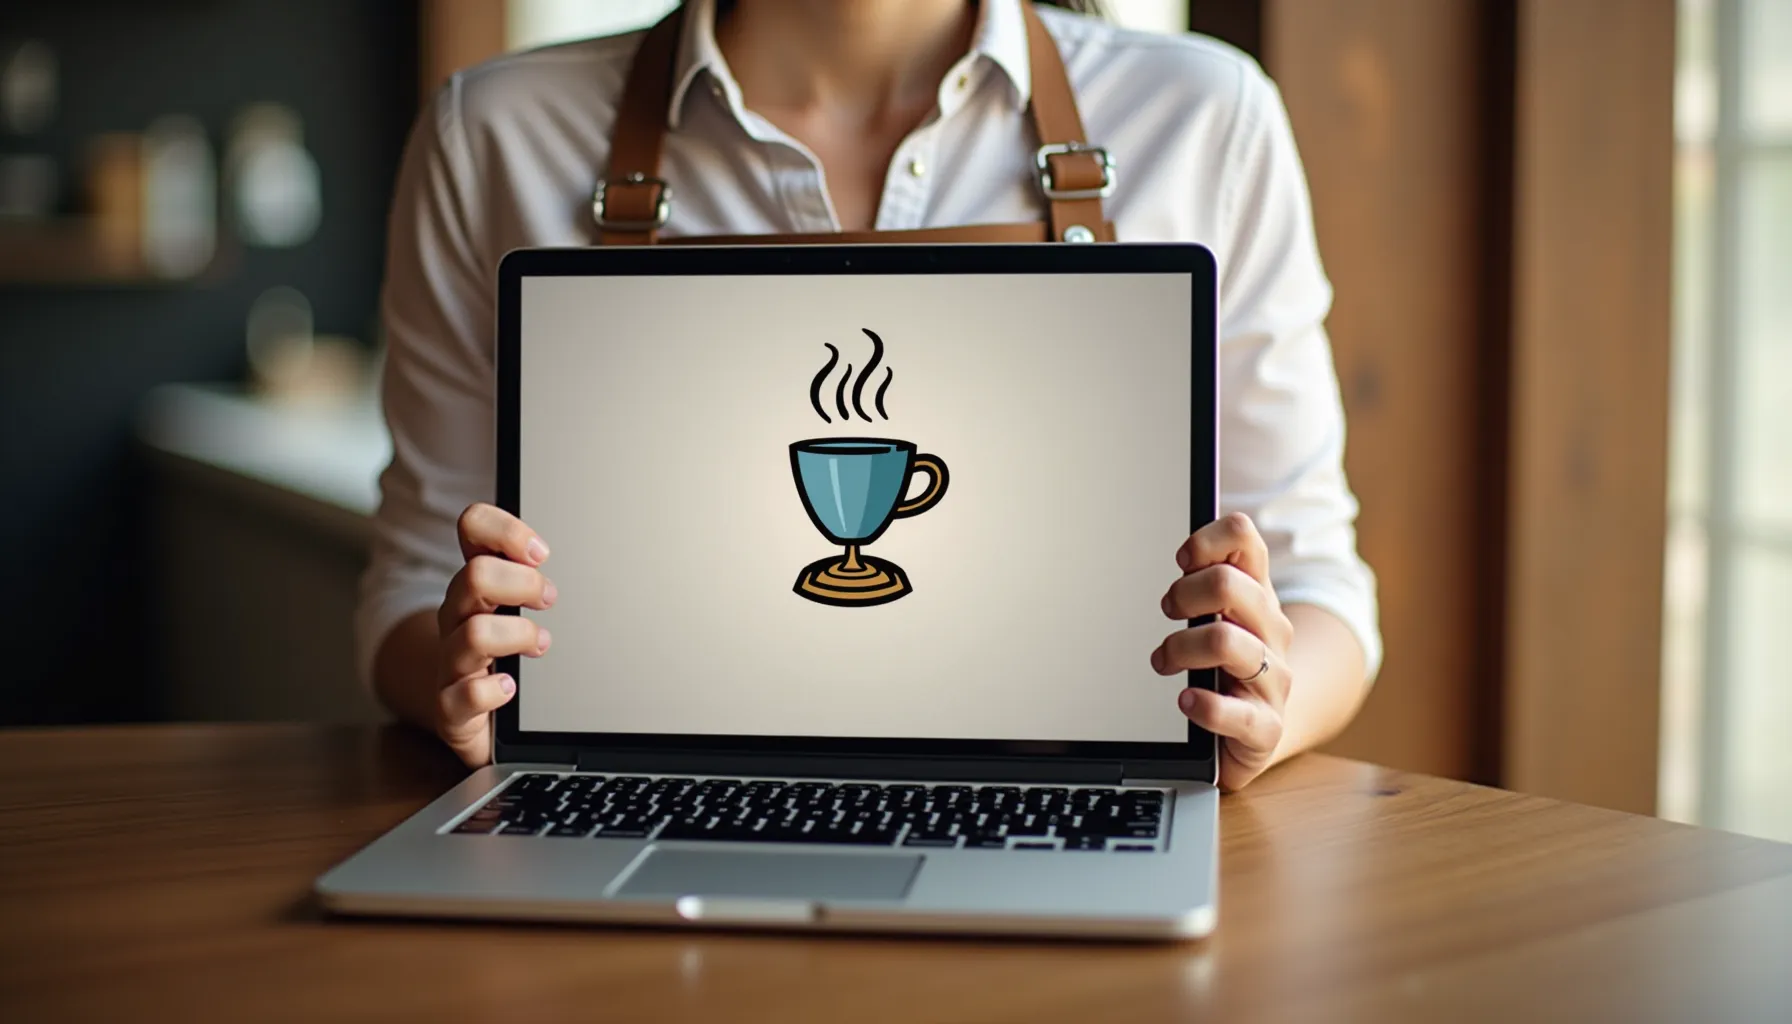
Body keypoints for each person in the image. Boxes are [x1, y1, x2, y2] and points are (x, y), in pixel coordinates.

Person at [357, 0, 1381, 792]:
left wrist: (1261, 713)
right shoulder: (491, 132)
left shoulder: (1206, 116)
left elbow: (1316, 582)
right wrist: (459, 686)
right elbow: (408, 588)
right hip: (628, 824)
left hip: (1069, 806)